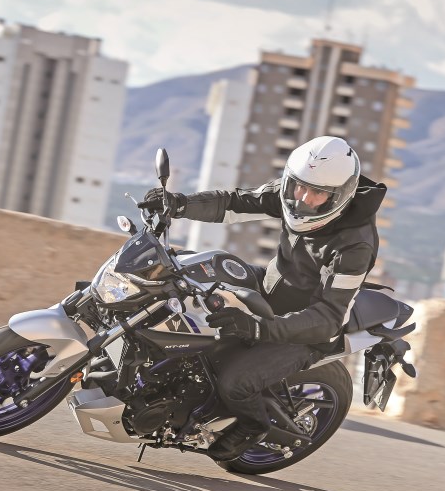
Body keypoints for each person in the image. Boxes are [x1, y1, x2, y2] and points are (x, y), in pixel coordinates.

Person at [139, 136, 386, 461]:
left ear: (339, 196)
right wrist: (180, 204)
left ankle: (253, 426)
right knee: (188, 271)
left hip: (306, 331)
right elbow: (234, 203)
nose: (303, 198)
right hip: (270, 286)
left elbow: (327, 318)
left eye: (317, 193)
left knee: (235, 383)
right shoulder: (294, 192)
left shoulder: (355, 245)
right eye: (299, 186)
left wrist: (258, 327)